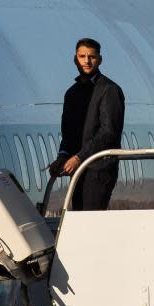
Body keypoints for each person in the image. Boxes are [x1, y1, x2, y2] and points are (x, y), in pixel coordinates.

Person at [48, 38, 125, 211]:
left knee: (90, 220)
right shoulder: (71, 94)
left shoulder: (109, 90)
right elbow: (68, 133)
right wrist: (63, 156)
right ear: (75, 59)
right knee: (79, 216)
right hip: (79, 169)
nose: (87, 61)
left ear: (100, 60)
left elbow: (108, 132)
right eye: (82, 56)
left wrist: (79, 157)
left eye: (92, 57)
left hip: (99, 169)